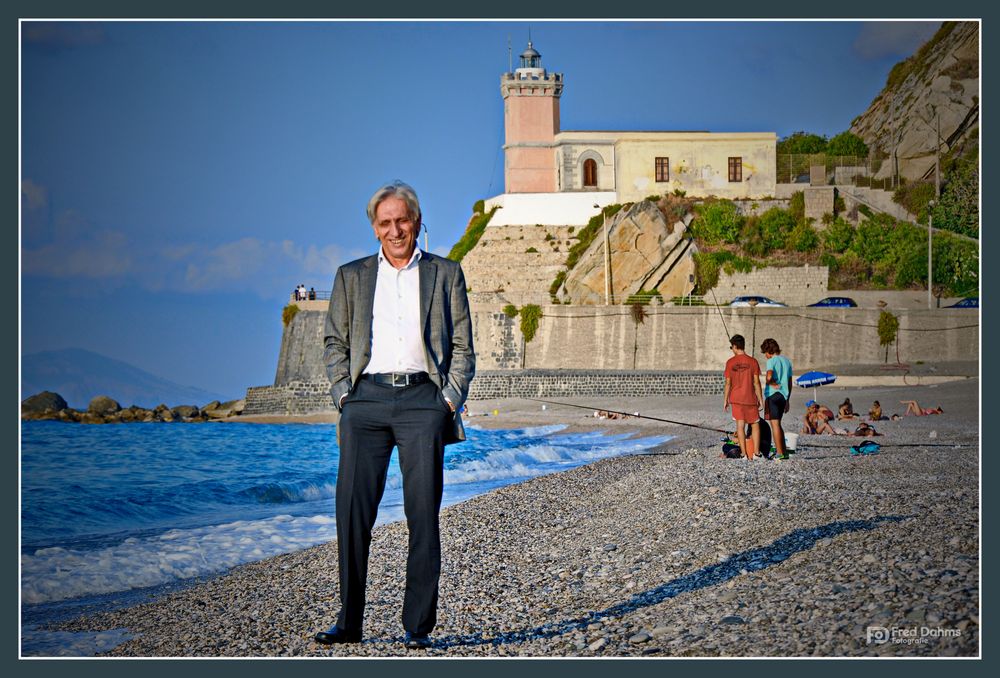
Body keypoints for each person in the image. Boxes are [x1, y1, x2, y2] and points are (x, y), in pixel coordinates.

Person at [316, 181, 475, 650]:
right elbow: (334, 342)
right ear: (374, 228)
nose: (395, 230)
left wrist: (448, 400)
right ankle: (348, 622)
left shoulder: (446, 273)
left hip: (423, 402)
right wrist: (343, 396)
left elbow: (464, 345)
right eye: (385, 223)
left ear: (417, 221)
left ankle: (417, 627)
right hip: (364, 402)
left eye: (402, 220)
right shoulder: (352, 276)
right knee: (351, 515)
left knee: (422, 514)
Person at [723, 334, 763, 460]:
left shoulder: (730, 362)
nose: (732, 349)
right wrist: (761, 400)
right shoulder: (753, 361)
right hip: (750, 398)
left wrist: (725, 400)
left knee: (740, 426)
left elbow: (728, 383)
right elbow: (756, 382)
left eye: (732, 347)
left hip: (736, 398)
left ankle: (744, 455)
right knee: (755, 425)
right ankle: (756, 454)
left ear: (735, 346)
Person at [760, 338, 792, 460]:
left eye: (765, 353)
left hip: (773, 395)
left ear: (768, 351)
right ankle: (783, 451)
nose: (766, 356)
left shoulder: (772, 361)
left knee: (775, 425)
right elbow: (789, 382)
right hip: (784, 396)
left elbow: (768, 376)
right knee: (778, 424)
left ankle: (779, 454)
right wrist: (788, 399)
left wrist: (772, 382)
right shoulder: (787, 361)